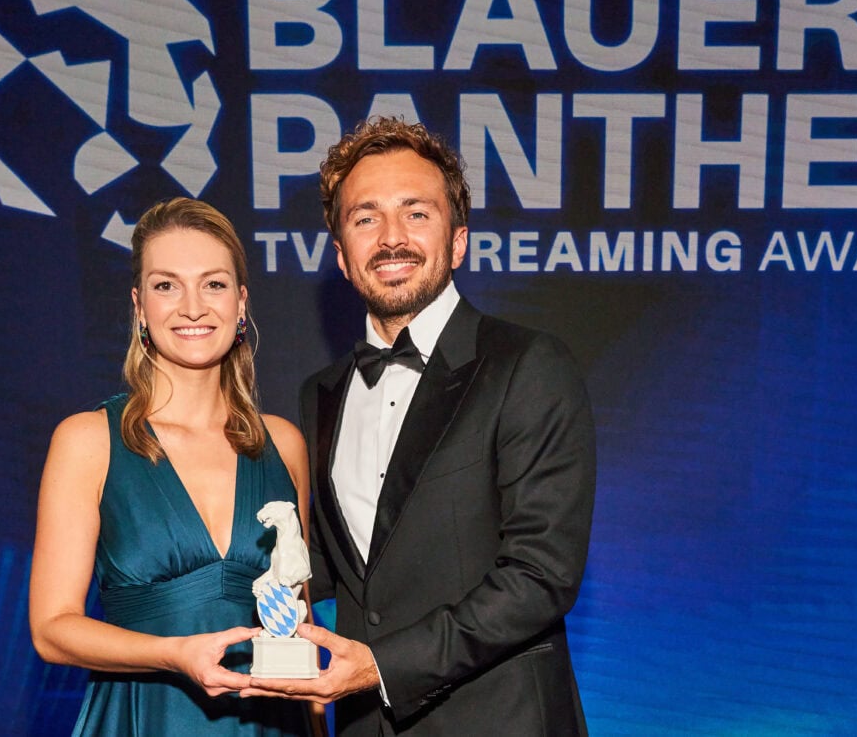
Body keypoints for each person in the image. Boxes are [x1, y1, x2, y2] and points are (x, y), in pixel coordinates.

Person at [245, 119, 596, 735]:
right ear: (341, 255)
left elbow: (541, 575)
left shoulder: (527, 366)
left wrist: (383, 666)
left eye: (416, 213)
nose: (391, 238)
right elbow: (318, 562)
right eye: (366, 218)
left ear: (458, 242)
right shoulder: (319, 394)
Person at [29, 197, 314, 735]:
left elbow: (298, 618)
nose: (192, 307)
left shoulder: (283, 444)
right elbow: (52, 629)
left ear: (241, 302)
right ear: (139, 306)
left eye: (213, 284)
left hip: (272, 721)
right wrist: (173, 653)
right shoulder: (88, 441)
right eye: (167, 285)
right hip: (144, 716)